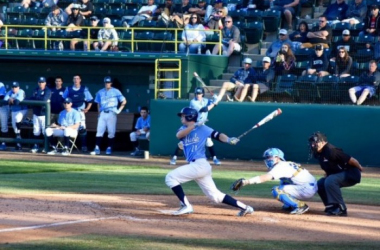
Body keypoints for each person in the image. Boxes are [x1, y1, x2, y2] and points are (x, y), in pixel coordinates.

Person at [165, 107, 253, 216]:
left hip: (200, 164)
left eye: (183, 115)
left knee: (170, 177)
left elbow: (218, 135)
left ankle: (186, 205)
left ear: (189, 116)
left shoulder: (203, 128)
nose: (181, 118)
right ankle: (245, 208)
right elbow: (179, 135)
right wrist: (194, 125)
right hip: (197, 166)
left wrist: (229, 139)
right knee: (215, 196)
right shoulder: (183, 128)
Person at [232, 148, 317, 215]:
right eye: (267, 158)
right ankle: (290, 204)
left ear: (277, 158)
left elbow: (265, 178)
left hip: (306, 189)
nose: (267, 160)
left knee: (276, 190)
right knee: (283, 183)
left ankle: (300, 206)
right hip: (308, 186)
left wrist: (246, 182)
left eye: (270, 157)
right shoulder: (285, 164)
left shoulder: (280, 166)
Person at [308, 131, 363, 216]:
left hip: (351, 173)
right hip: (340, 174)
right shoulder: (319, 153)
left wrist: (359, 167)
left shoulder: (331, 151)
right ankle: (331, 207)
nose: (313, 145)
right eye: (312, 143)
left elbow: (351, 160)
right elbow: (329, 166)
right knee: (320, 183)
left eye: (315, 142)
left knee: (330, 180)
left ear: (323, 142)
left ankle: (341, 208)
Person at [170, 87, 221, 165]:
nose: (198, 95)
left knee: (209, 141)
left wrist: (216, 99)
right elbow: (204, 109)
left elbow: (215, 103)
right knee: (184, 141)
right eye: (197, 93)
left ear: (203, 94)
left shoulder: (205, 100)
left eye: (200, 93)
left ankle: (214, 158)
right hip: (193, 124)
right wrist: (214, 103)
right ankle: (174, 158)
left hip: (201, 125)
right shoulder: (193, 102)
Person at [90, 76, 126, 156]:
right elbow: (98, 103)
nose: (107, 84)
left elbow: (124, 101)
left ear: (111, 83)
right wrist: (99, 114)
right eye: (106, 82)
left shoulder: (116, 91)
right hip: (103, 113)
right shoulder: (100, 92)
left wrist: (119, 110)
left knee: (111, 132)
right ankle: (97, 147)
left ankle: (109, 147)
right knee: (99, 131)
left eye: (108, 82)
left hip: (112, 112)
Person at [62, 74, 93, 152]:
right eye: (74, 78)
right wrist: (66, 108)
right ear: (73, 80)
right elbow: (63, 99)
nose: (76, 80)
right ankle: (67, 146)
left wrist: (87, 109)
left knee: (82, 128)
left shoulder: (84, 89)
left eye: (77, 78)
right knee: (69, 127)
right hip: (70, 111)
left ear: (80, 80)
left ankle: (84, 146)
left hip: (80, 110)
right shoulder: (68, 88)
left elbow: (90, 100)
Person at [30, 77, 52, 153]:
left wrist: (36, 98)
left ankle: (45, 146)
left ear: (45, 83)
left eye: (42, 82)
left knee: (44, 131)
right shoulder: (35, 90)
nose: (41, 83)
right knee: (36, 130)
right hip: (36, 113)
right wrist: (36, 98)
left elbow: (44, 100)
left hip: (44, 114)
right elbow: (31, 98)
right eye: (40, 82)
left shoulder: (48, 90)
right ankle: (36, 145)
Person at [4, 82, 28, 151]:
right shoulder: (10, 92)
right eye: (13, 87)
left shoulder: (21, 91)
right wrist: (10, 100)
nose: (14, 88)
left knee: (17, 119)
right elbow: (5, 101)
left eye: (16, 87)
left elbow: (17, 102)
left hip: (22, 110)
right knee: (15, 128)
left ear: (18, 87)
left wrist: (11, 100)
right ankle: (18, 144)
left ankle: (23, 121)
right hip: (14, 111)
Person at [0, 81, 9, 151]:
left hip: (3, 107)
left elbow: (1, 96)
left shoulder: (1, 84)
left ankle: (3, 143)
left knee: (4, 126)